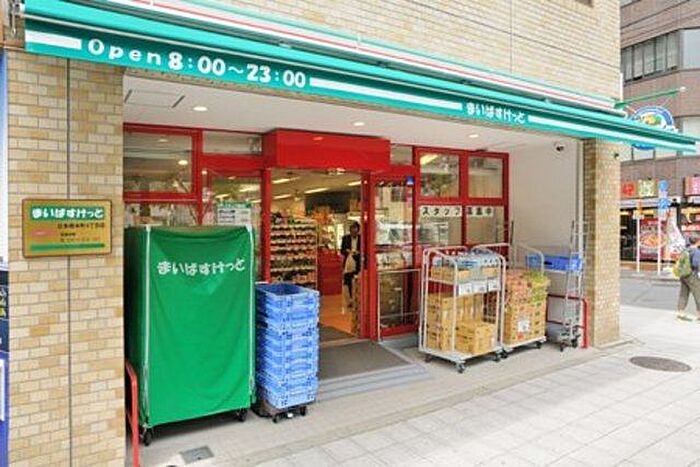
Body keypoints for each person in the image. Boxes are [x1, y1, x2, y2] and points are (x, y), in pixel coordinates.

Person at [675, 238, 700, 321]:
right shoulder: (696, 251)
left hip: (683, 274)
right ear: (697, 242)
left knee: (683, 294)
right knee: (698, 294)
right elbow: (696, 264)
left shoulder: (685, 250)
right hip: (692, 275)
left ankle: (680, 313)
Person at [341, 221, 361, 300]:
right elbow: (342, 251)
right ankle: (351, 297)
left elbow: (364, 250)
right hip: (349, 263)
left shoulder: (362, 238)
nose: (353, 234)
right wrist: (347, 251)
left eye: (355, 232)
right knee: (349, 280)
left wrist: (358, 252)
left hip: (358, 263)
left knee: (358, 280)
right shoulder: (345, 238)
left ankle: (358, 297)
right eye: (352, 232)